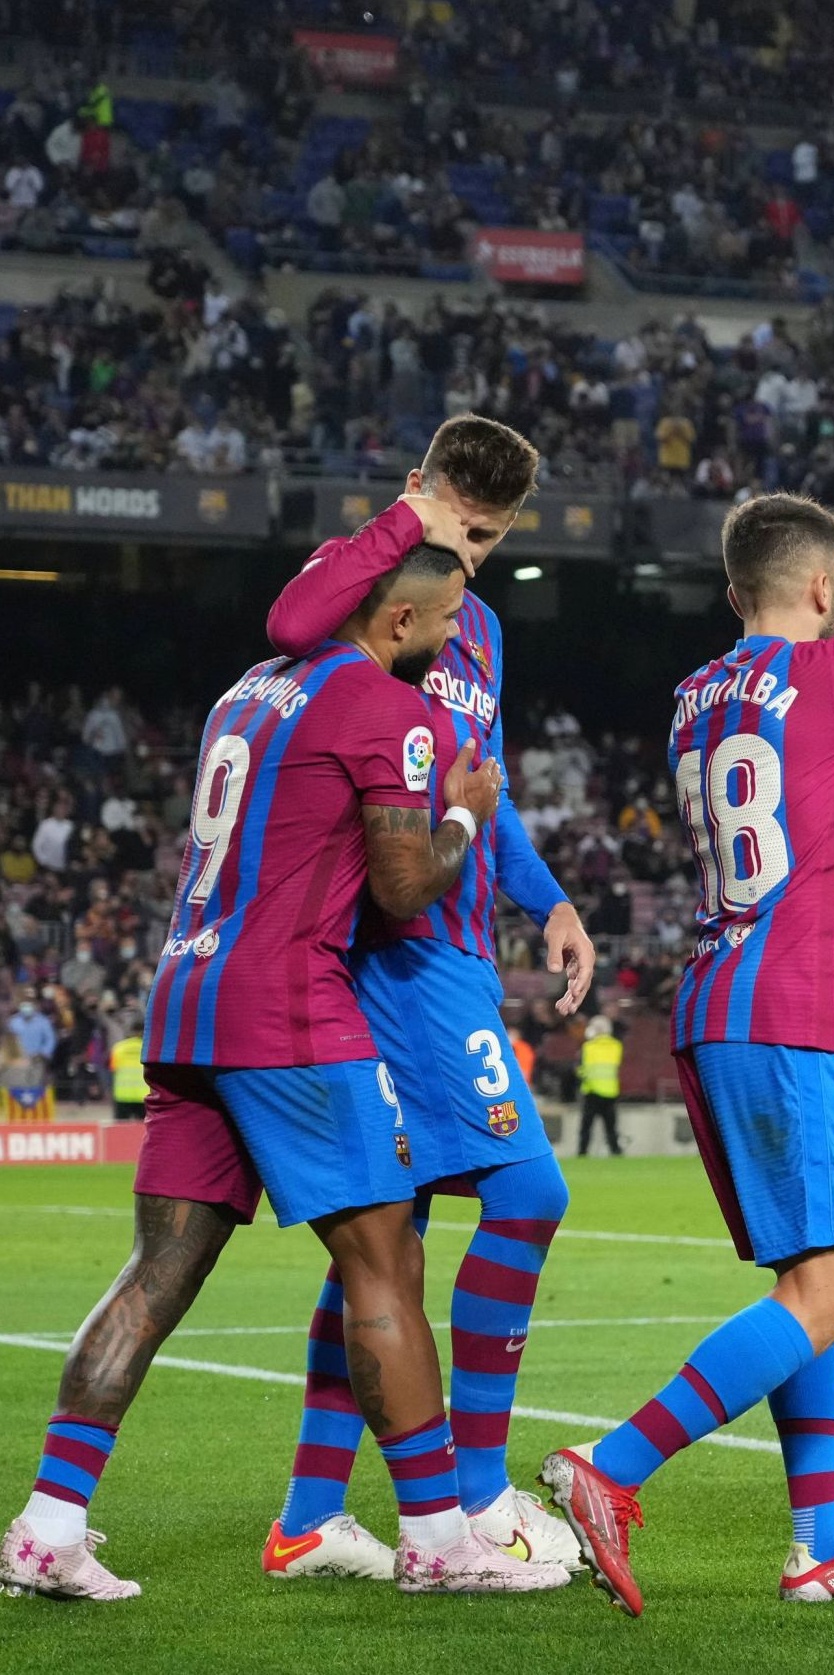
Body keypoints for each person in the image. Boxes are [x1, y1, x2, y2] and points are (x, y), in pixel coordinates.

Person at [0, 543, 560, 1601]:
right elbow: (401, 887)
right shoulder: (383, 708)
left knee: (153, 1274)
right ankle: (440, 1542)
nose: (450, 643)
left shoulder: (246, 693)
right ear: (396, 620)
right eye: (440, 623)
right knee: (385, 1265)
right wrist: (464, 814)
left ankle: (45, 1526)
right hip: (288, 1009)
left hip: (183, 1002)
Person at [538, 499, 834, 1615]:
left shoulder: (694, 696)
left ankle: (820, 1542)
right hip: (790, 1012)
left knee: (808, 1282)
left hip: (711, 1003)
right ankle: (613, 1465)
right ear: (817, 588)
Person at [256, 414, 595, 1580]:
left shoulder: (478, 627)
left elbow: (479, 791)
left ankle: (309, 1513)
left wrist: (545, 900)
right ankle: (478, 1493)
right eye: (463, 524)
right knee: (530, 1192)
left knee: (381, 1244)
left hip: (451, 937)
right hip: (395, 952)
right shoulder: (363, 586)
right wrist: (412, 530)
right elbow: (290, 627)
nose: (476, 554)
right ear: (417, 495)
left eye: (494, 536)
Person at [578, 1017, 623, 1157]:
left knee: (586, 1126)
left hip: (592, 1091)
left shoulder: (588, 1047)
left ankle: (582, 1152)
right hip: (611, 1091)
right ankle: (615, 1151)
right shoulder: (616, 1046)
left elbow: (584, 1069)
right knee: (611, 1127)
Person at [107, 1026, 146, 1123]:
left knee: (120, 1128)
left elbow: (112, 1068)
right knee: (144, 1129)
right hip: (143, 1095)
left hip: (122, 1095)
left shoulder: (118, 1048)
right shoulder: (147, 1048)